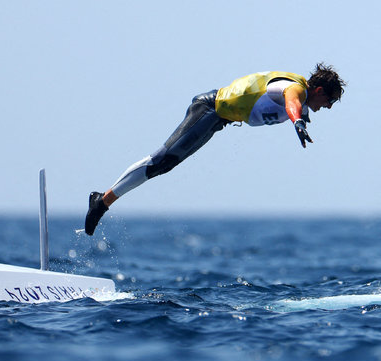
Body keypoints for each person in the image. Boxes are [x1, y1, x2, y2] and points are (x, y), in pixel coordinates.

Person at [84, 63, 345, 236]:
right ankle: (102, 201)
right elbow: (291, 103)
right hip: (209, 109)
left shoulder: (304, 101)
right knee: (161, 160)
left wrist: (303, 118)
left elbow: (299, 108)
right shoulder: (294, 89)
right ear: (318, 90)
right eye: (330, 100)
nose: (330, 107)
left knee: (166, 165)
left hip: (217, 120)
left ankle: (103, 200)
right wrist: (297, 121)